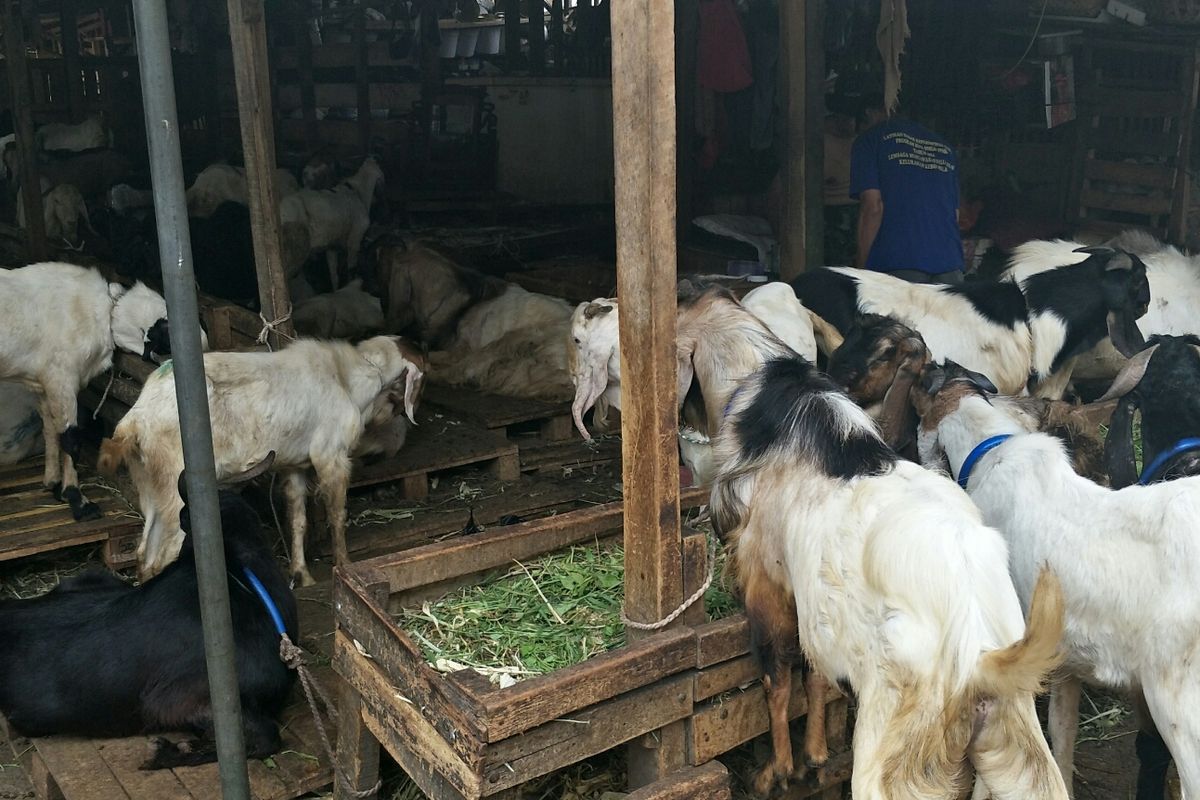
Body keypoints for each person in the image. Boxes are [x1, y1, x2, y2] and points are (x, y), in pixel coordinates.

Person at [850, 94, 964, 284]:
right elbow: (955, 213)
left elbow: (873, 207)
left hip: (896, 262)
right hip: (949, 263)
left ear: (869, 112)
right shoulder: (944, 147)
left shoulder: (870, 140)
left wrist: (862, 267)